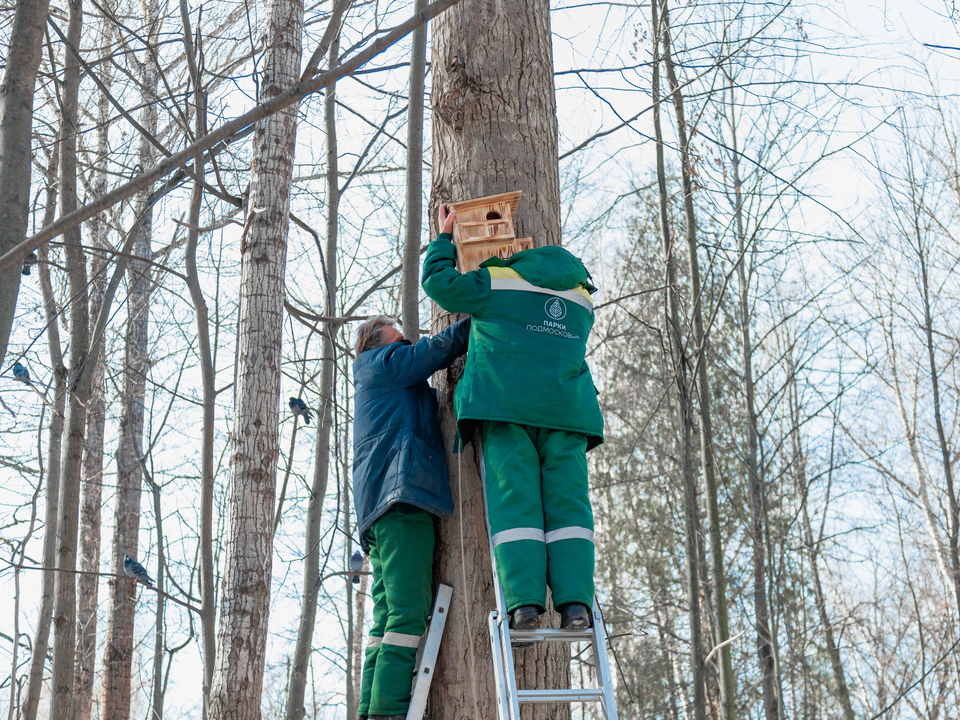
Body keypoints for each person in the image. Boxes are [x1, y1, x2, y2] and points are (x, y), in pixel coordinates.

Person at [421, 204, 604, 634]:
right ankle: (576, 606)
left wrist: (445, 236)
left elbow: (439, 284)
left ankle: (524, 606)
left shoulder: (499, 282)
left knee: (515, 499)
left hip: (505, 406)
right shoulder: (581, 299)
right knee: (569, 507)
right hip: (567, 413)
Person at [353, 314, 470, 720]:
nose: (405, 348)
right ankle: (388, 711)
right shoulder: (383, 364)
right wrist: (478, 316)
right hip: (401, 500)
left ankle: (370, 709)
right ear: (376, 345)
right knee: (407, 612)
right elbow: (432, 352)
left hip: (380, 508)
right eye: (398, 343)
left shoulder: (374, 378)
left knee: (384, 620)